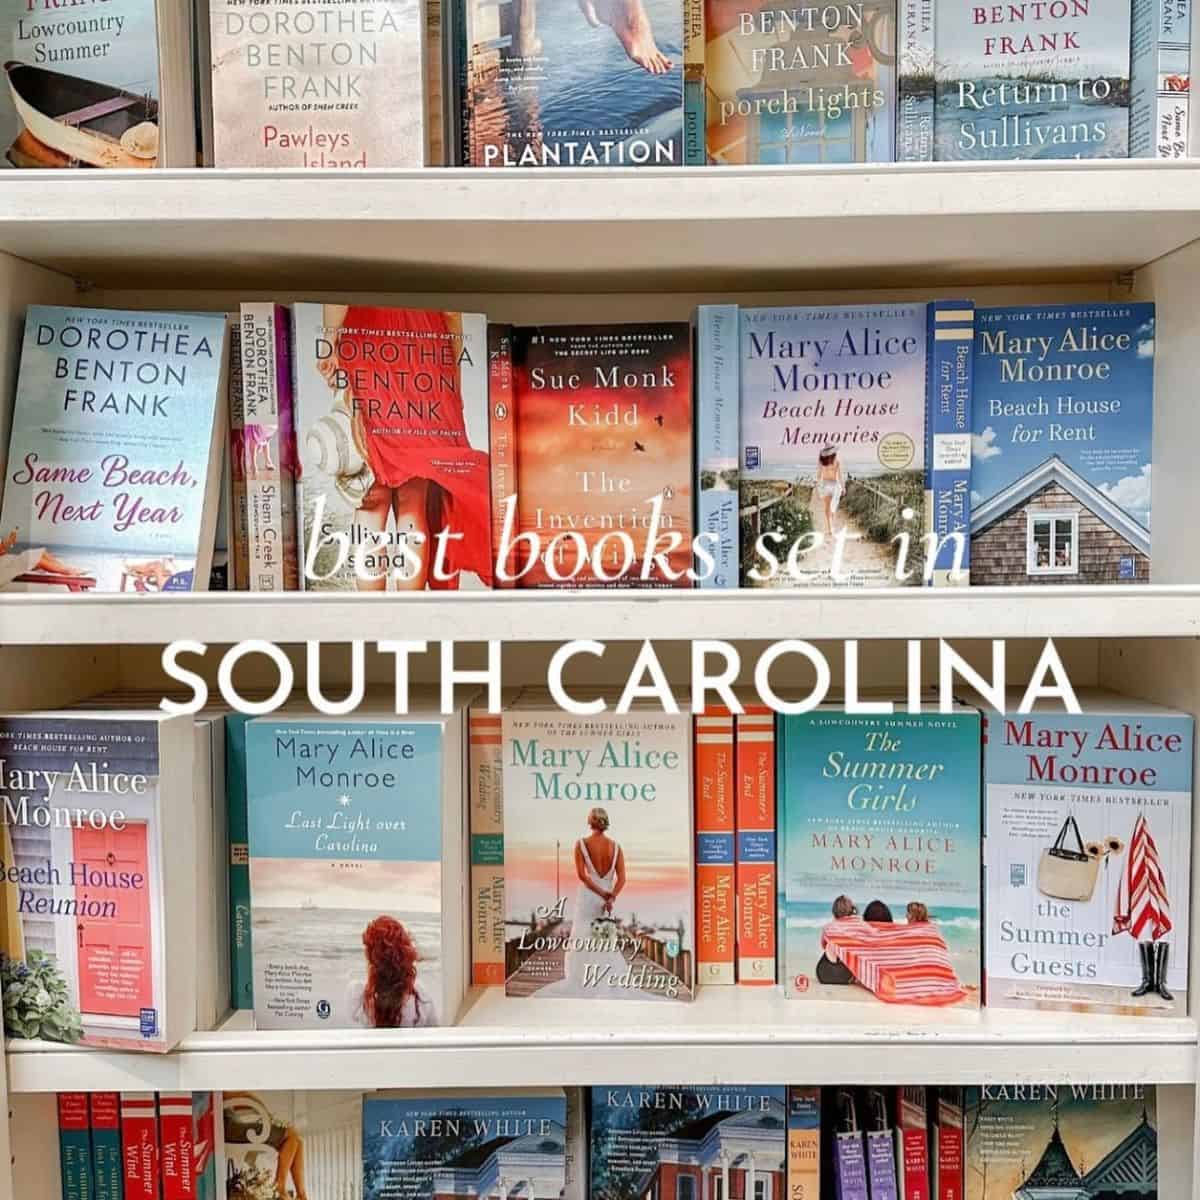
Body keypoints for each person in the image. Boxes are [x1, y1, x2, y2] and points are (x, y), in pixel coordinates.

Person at [315, 305, 492, 592]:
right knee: (413, 501)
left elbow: (337, 297)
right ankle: (410, 618)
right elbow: (452, 314)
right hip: (424, 354)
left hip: (366, 352)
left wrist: (329, 343)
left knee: (370, 500)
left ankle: (372, 619)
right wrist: (453, 376)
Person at [543, 807, 630, 995]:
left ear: (591, 821)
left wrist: (600, 893)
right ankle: (604, 978)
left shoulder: (581, 844)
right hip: (606, 897)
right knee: (604, 939)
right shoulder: (616, 847)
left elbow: (582, 876)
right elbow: (622, 879)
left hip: (589, 897)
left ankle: (581, 978)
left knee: (582, 934)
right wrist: (610, 896)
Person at [346, 915, 437, 1028]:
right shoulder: (419, 996)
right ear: (404, 951)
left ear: (371, 956)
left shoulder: (360, 997)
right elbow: (434, 1029)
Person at [223, 1092, 308, 1200]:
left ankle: (301, 1195)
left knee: (298, 1141)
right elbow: (227, 1097)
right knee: (292, 1136)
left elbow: (239, 1100)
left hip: (233, 1123)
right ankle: (280, 1186)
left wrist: (259, 1107)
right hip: (231, 1127)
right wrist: (253, 1100)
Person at [816, 895, 858, 985]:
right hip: (845, 975)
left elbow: (823, 946)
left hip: (823, 974)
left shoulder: (828, 927)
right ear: (852, 910)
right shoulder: (857, 927)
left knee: (829, 946)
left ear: (834, 911)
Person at [815, 447, 844, 535]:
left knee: (827, 507)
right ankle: (832, 526)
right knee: (832, 507)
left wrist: (817, 486)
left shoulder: (822, 462)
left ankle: (830, 528)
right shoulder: (837, 462)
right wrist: (843, 487)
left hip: (825, 485)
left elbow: (819, 475)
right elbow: (840, 476)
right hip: (834, 485)